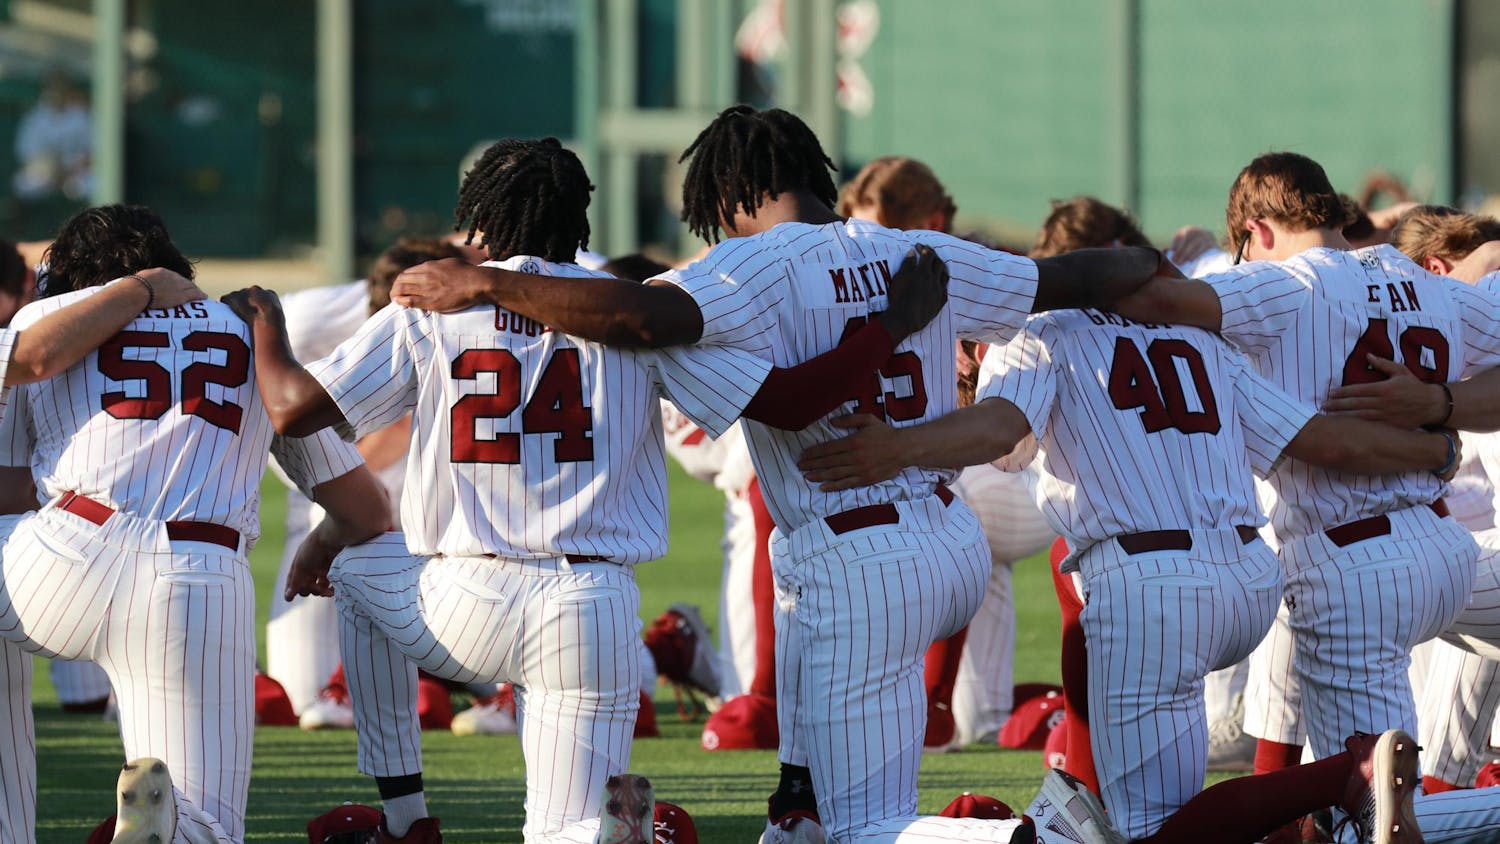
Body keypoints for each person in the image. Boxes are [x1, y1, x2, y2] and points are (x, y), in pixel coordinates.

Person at [387, 105, 1219, 843]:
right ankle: (802, 805)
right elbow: (1068, 277)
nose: (714, 232)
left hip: (858, 556)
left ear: (732, 197)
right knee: (809, 803)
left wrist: (489, 281)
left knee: (869, 826)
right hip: (944, 530)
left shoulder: (751, 265)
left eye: (713, 214)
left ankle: (1043, 835)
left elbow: (637, 316)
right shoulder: (919, 247)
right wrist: (1162, 272)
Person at [227, 136, 952, 844]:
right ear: (580, 223)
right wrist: (890, 325)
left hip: (466, 599)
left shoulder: (433, 306)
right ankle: (595, 832)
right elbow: (788, 398)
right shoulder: (633, 314)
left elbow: (291, 406)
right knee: (561, 827)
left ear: (479, 220)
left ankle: (404, 816)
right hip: (593, 605)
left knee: (357, 570)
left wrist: (266, 326)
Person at [1112, 150, 1500, 840]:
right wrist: (1442, 404)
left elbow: (1163, 302)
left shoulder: (1281, 285)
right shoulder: (1420, 278)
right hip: (1443, 548)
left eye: (1242, 248)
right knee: (1384, 786)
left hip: (1353, 559)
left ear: (1257, 230)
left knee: (1373, 811)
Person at [0, 204, 391, 844]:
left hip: (63, 550)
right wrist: (321, 542)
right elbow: (366, 509)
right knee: (207, 825)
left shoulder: (43, 321)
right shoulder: (244, 334)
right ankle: (173, 831)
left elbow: (8, 494)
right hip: (196, 578)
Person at [841, 156, 1055, 750]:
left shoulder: (971, 262)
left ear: (927, 218)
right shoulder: (882, 274)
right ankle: (977, 712)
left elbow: (1004, 425)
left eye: (878, 226)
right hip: (993, 467)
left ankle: (932, 703)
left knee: (953, 507)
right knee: (972, 549)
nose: (867, 242)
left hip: (1037, 472)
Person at [268, 236, 463, 724]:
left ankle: (448, 678)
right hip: (343, 541)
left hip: (456, 561)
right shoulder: (329, 329)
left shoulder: (484, 336)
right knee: (302, 700)